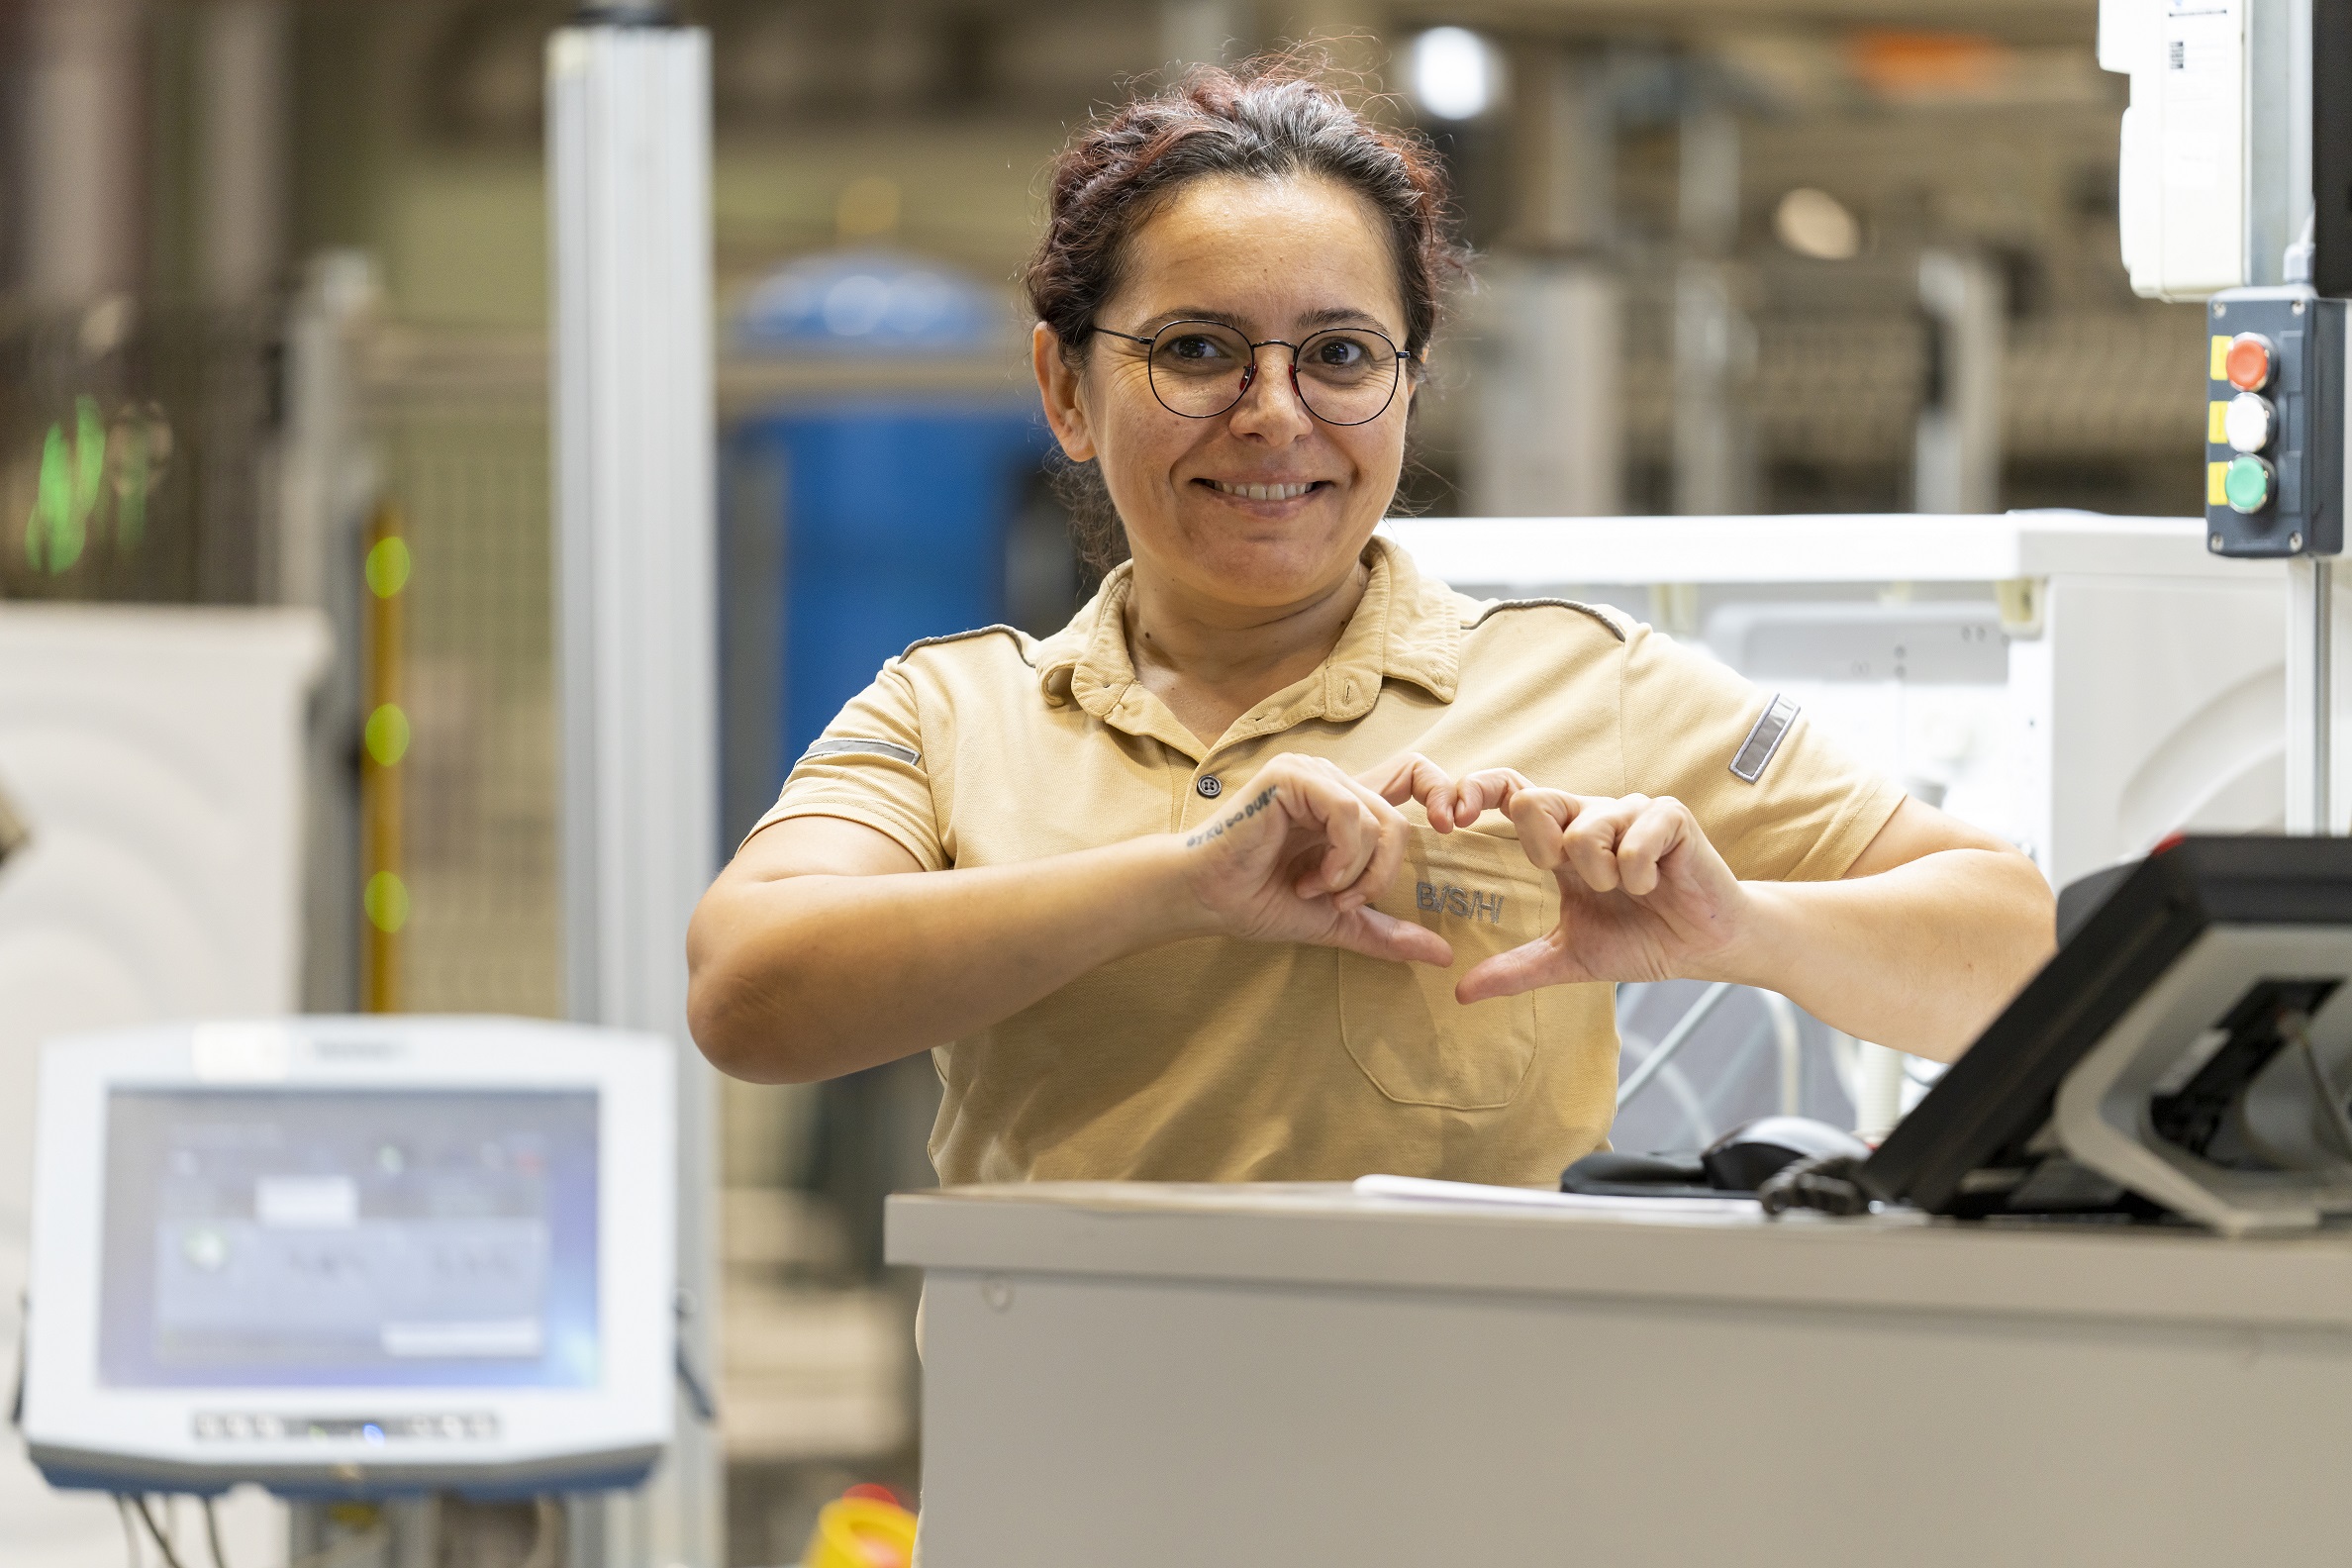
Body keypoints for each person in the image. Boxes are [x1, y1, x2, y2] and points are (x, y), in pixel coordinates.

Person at [687, 57, 2055, 1189]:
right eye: (1198, 350)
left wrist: (1741, 929)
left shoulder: (1586, 685)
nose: (1275, 415)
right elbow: (748, 994)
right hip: (1063, 1420)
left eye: (1340, 356)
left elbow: (2020, 954)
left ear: (1409, 384)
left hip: (1469, 1433)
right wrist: (1180, 885)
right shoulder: (953, 714)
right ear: (1064, 389)